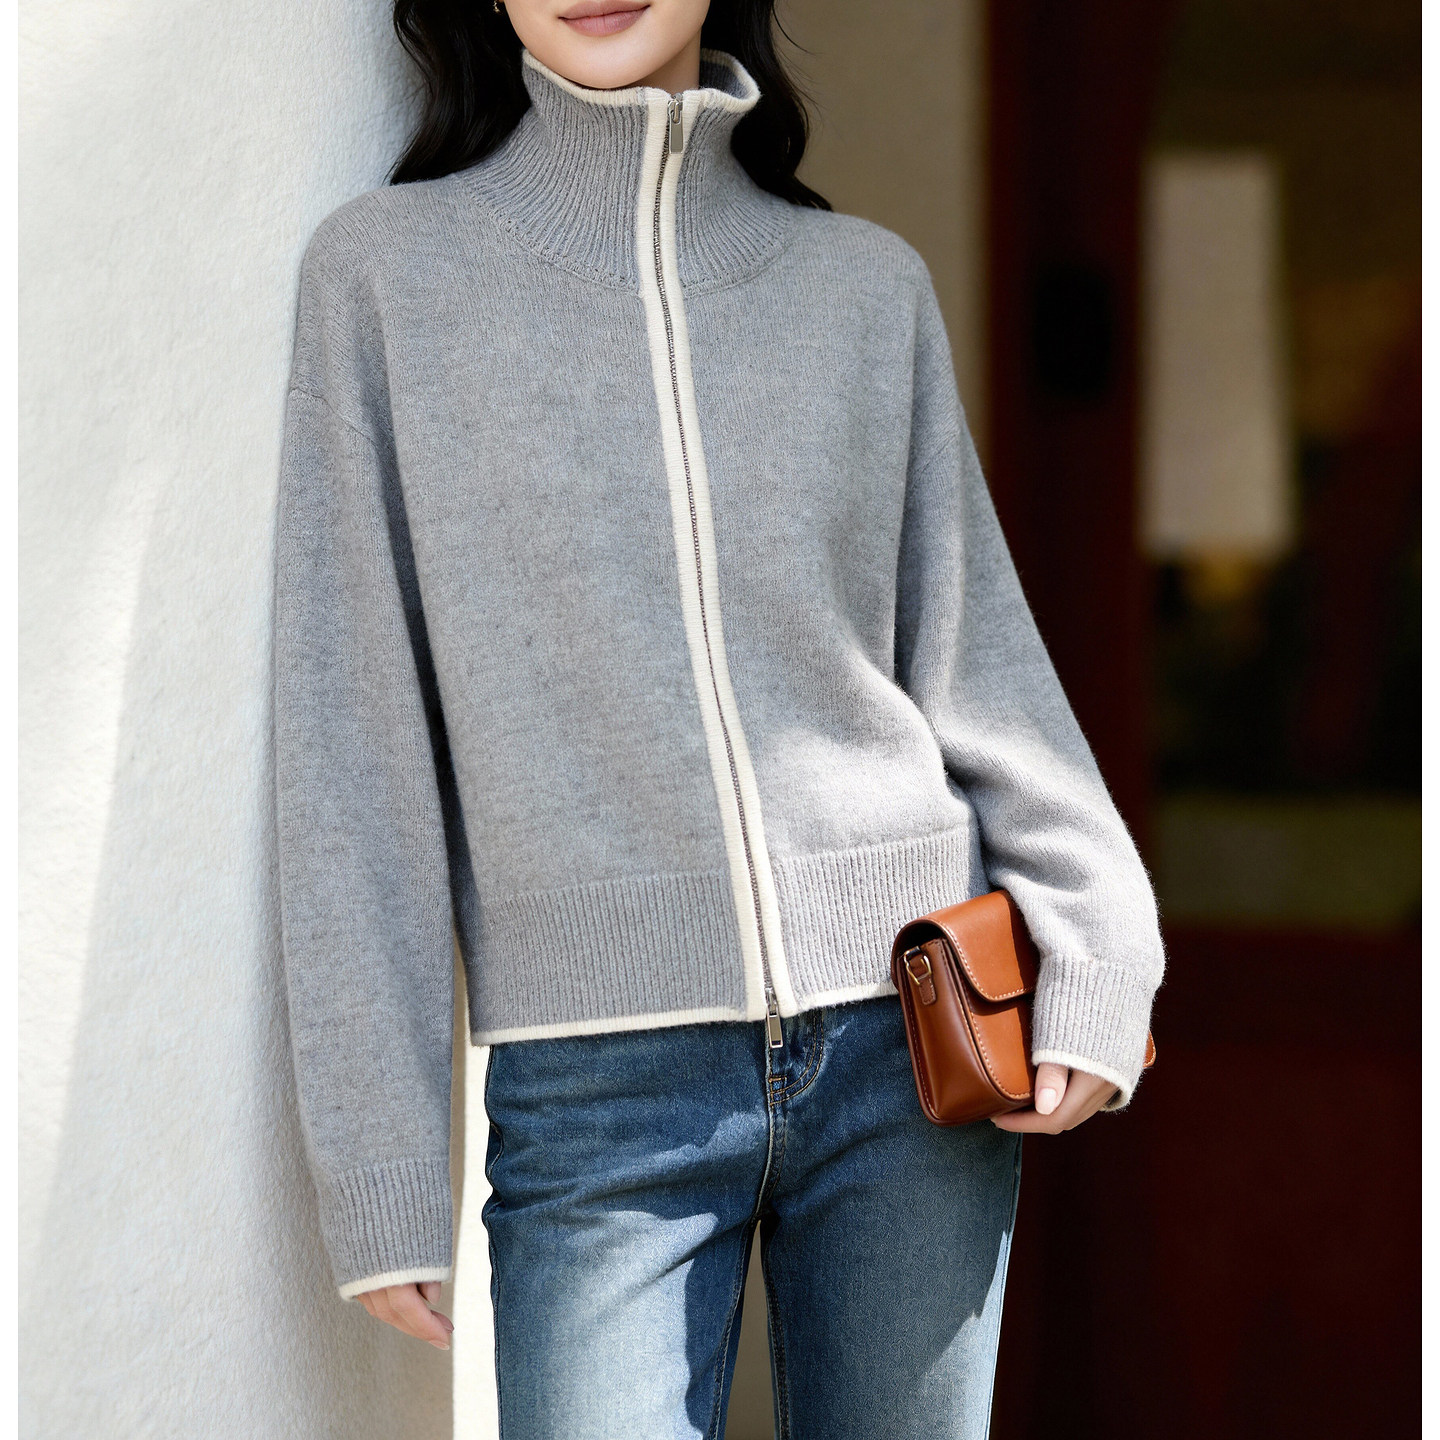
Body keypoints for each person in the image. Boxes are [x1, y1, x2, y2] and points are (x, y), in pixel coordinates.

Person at [272, 1, 1165, 1435]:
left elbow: (978, 661)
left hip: (906, 1047)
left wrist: (1102, 939)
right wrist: (380, 1153)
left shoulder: (861, 289)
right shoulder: (385, 281)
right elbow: (351, 742)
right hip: (596, 1090)